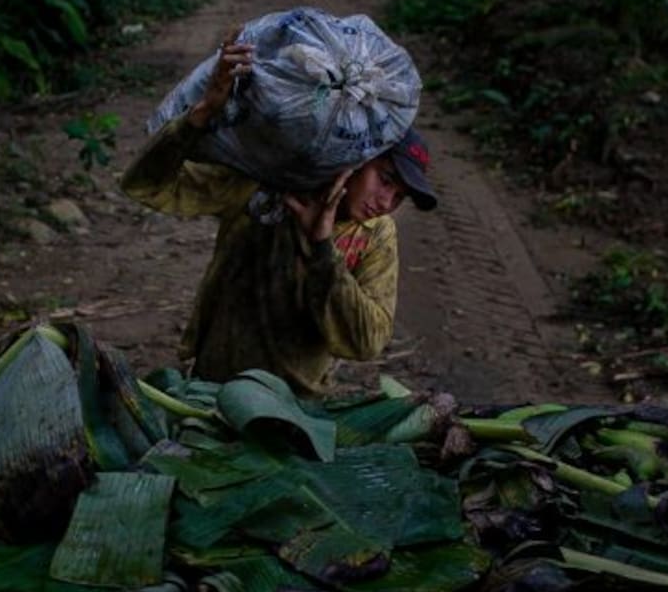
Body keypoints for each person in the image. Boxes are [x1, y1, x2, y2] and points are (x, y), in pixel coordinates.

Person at [119, 29, 437, 397]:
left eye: (399, 196)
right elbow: (146, 185)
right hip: (215, 388)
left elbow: (367, 342)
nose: (385, 202)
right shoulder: (265, 186)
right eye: (384, 180)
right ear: (358, 157)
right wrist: (201, 115)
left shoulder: (375, 235)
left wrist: (321, 250)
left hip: (297, 408)